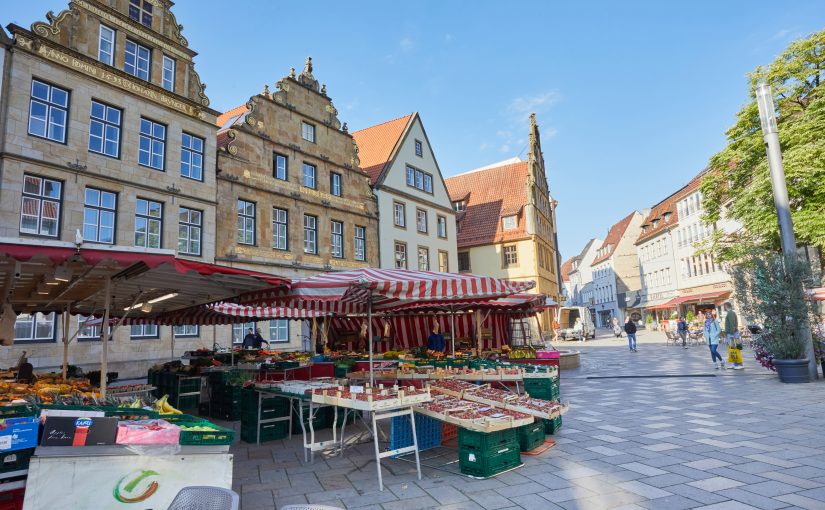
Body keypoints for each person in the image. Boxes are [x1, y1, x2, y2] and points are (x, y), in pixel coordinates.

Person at [724, 302, 743, 370]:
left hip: (732, 333)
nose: (724, 308)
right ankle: (735, 363)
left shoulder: (730, 313)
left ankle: (739, 364)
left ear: (726, 306)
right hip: (733, 333)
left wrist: (731, 334)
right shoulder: (731, 313)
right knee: (733, 349)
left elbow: (732, 324)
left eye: (724, 306)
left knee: (735, 348)